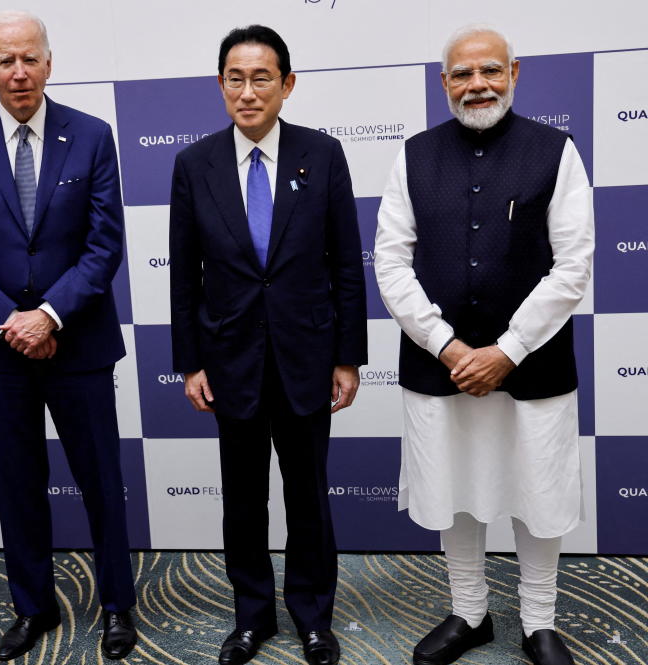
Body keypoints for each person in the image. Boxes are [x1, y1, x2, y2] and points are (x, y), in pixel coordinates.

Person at [374, 25, 593, 665]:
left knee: (537, 491)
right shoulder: (413, 155)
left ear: (514, 73)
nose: (478, 85)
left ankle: (539, 621)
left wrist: (508, 350)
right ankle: (469, 613)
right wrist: (447, 347)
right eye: (463, 75)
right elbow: (391, 264)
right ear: (444, 82)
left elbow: (573, 264)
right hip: (438, 364)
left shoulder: (557, 151)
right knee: (453, 487)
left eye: (490, 71)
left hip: (533, 365)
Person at [0, 10, 137, 662]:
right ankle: (32, 605)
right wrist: (12, 322)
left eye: (30, 58)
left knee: (102, 478)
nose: (18, 72)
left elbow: (104, 247)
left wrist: (47, 316)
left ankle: (116, 606)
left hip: (79, 342)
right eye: (5, 60)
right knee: (19, 480)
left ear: (49, 62)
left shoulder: (93, 135)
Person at [169, 24, 367, 665]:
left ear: (287, 84)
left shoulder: (323, 153)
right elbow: (184, 272)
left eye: (261, 78)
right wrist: (190, 362)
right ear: (220, 84)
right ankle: (251, 618)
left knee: (308, 497)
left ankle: (313, 618)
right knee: (243, 500)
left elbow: (345, 264)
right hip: (230, 364)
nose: (247, 91)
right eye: (235, 77)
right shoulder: (193, 164)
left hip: (308, 359)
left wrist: (347, 357)